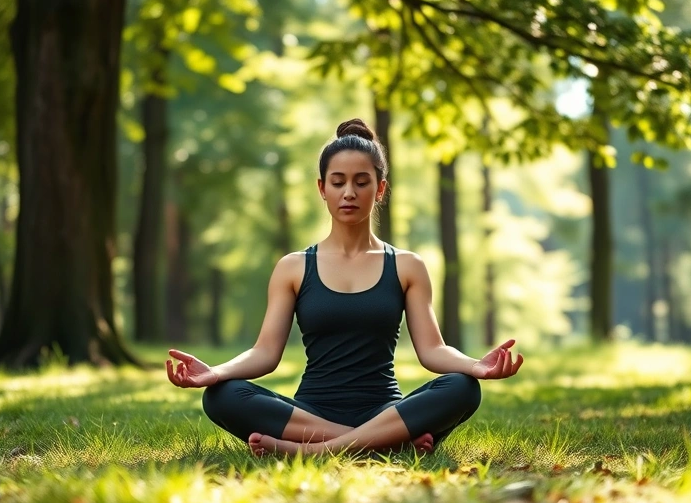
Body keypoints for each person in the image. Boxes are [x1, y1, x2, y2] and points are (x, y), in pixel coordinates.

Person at [165, 118, 524, 457]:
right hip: (311, 411)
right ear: (322, 189)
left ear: (380, 189)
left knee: (462, 388)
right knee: (221, 396)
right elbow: (265, 353)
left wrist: (475, 366)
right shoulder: (293, 267)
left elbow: (433, 350)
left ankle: (314, 450)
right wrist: (217, 372)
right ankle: (387, 443)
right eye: (338, 182)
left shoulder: (406, 266)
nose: (349, 193)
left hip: (385, 409)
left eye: (361, 182)